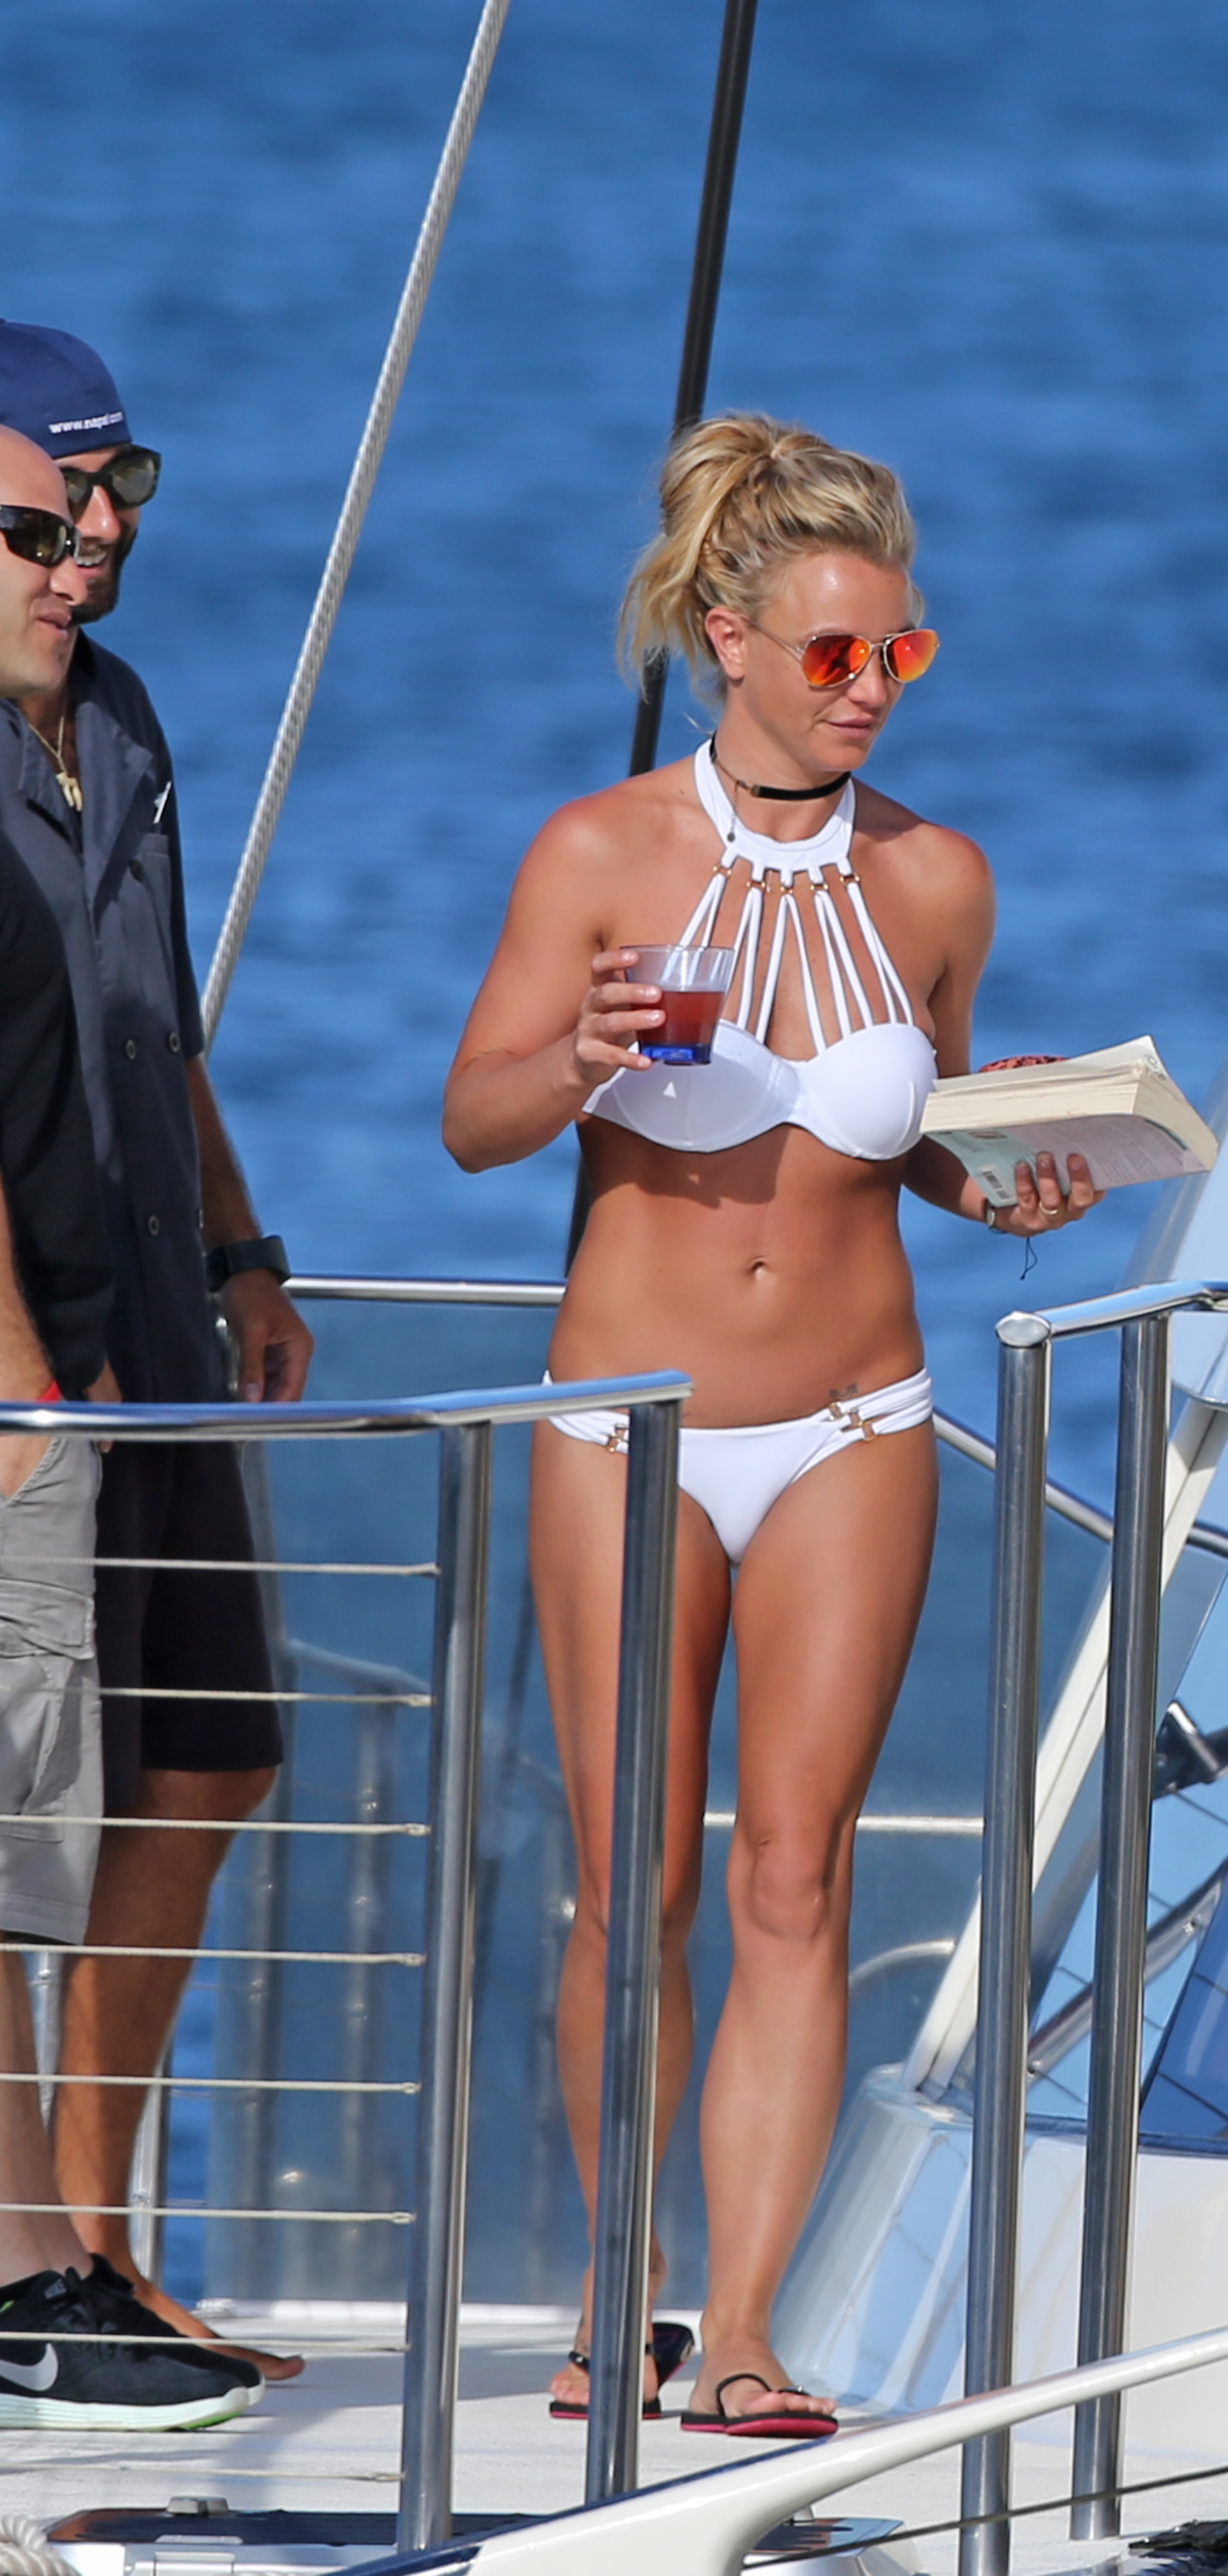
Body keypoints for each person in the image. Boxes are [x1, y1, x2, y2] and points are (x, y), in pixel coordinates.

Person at [445, 412, 1098, 2435]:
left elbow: (909, 1139)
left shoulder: (937, 879)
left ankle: (741, 2330)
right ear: (726, 640)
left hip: (857, 1421)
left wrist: (1007, 1176)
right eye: (834, 653)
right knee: (629, 1882)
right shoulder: (600, 855)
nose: (870, 687)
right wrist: (584, 1051)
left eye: (900, 652)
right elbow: (472, 1123)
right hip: (629, 1426)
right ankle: (614, 2293)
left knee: (798, 1878)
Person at [0, 323, 313, 2380]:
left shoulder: (119, 721)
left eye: (123, 494)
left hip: (165, 1337)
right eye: (48, 512)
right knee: (17, 1819)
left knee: (208, 1755)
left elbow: (158, 1026)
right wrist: (22, 1381)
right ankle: (28, 2270)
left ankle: (98, 2244)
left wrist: (244, 1248)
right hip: (35, 1376)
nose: (93, 541)